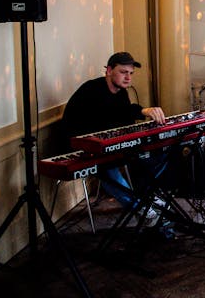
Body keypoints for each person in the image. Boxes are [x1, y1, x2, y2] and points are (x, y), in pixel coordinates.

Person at [61, 51, 166, 215]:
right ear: (109, 71)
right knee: (107, 166)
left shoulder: (121, 92)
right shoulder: (91, 90)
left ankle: (147, 196)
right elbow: (101, 123)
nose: (128, 78)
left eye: (131, 73)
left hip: (104, 145)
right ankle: (141, 210)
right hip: (79, 146)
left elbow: (124, 114)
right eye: (123, 72)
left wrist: (145, 112)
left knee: (152, 153)